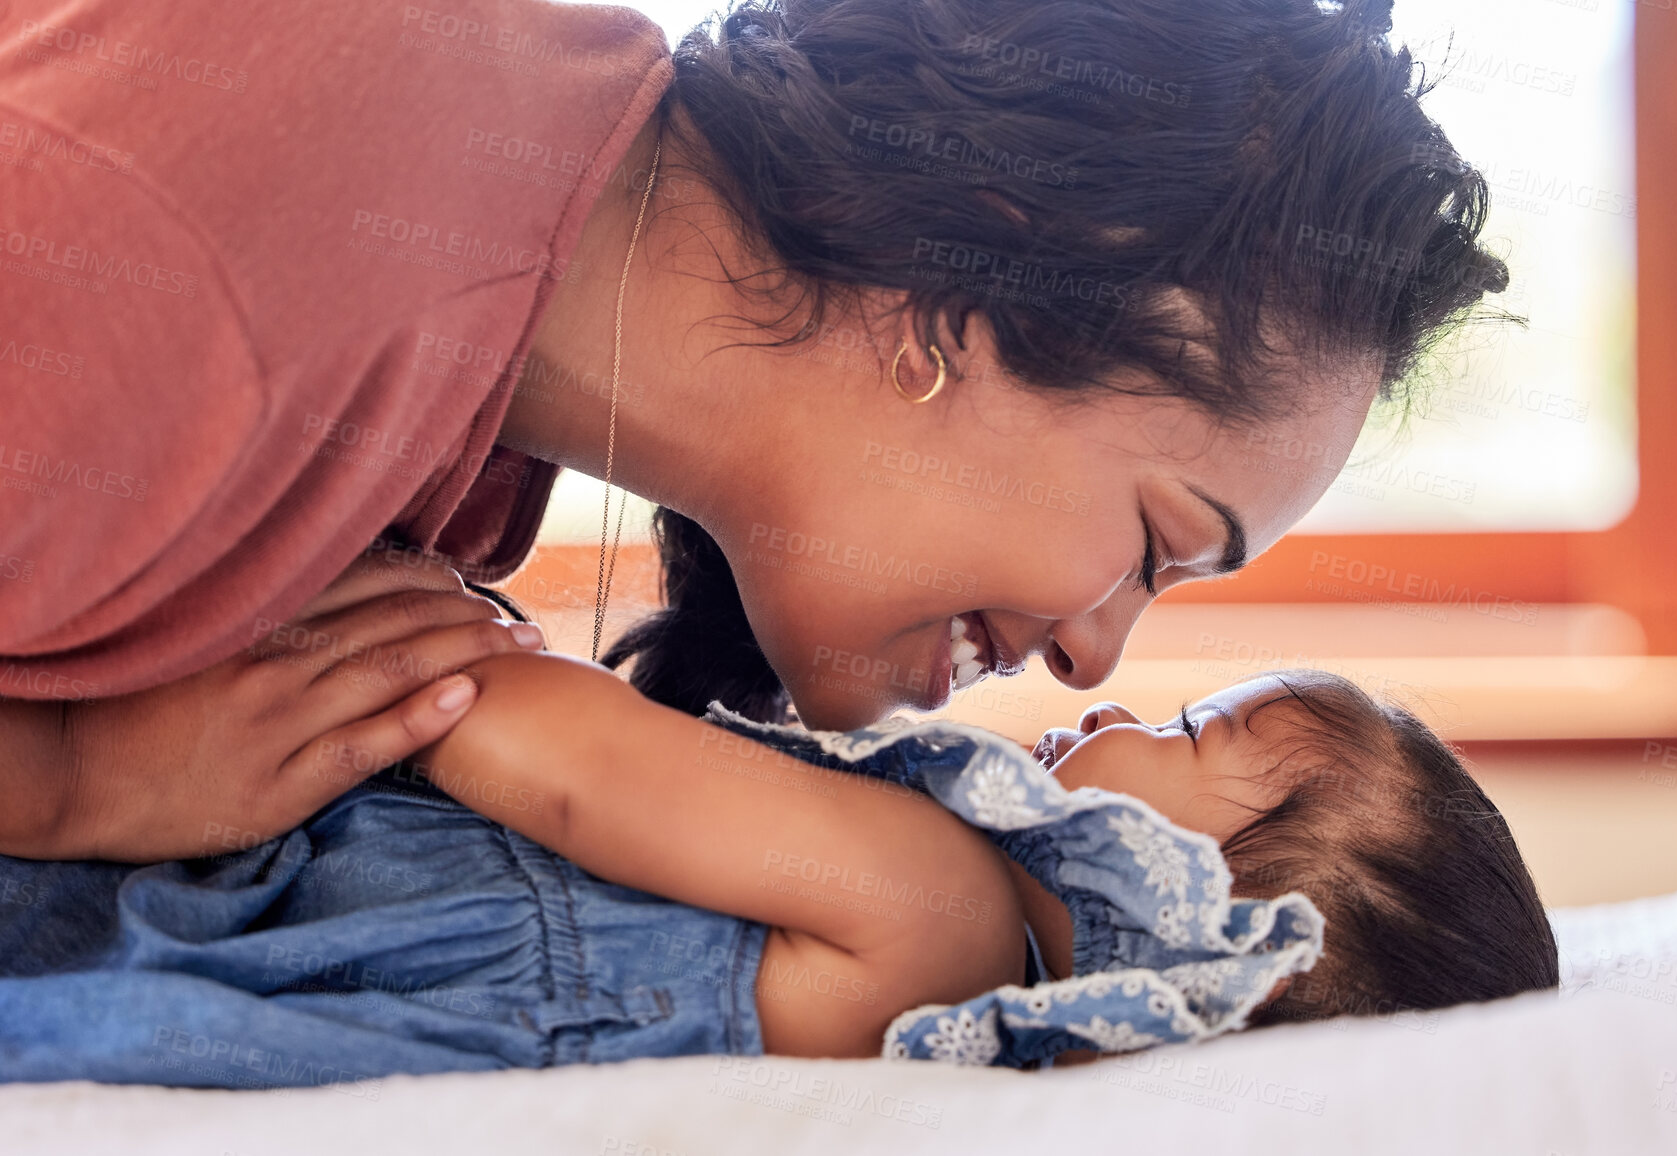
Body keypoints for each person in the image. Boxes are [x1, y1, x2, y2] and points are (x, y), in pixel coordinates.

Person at [0, 0, 1512, 862]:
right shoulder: (209, 261)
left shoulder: (471, 408)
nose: (1096, 659)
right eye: (1155, 545)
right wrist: (74, 786)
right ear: (963, 292)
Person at [0, 661, 1557, 1084]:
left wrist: (402, 635)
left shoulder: (929, 900)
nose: (1108, 705)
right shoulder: (930, 979)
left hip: (260, 886)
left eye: (1183, 724)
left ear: (1210, 907)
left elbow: (551, 749)